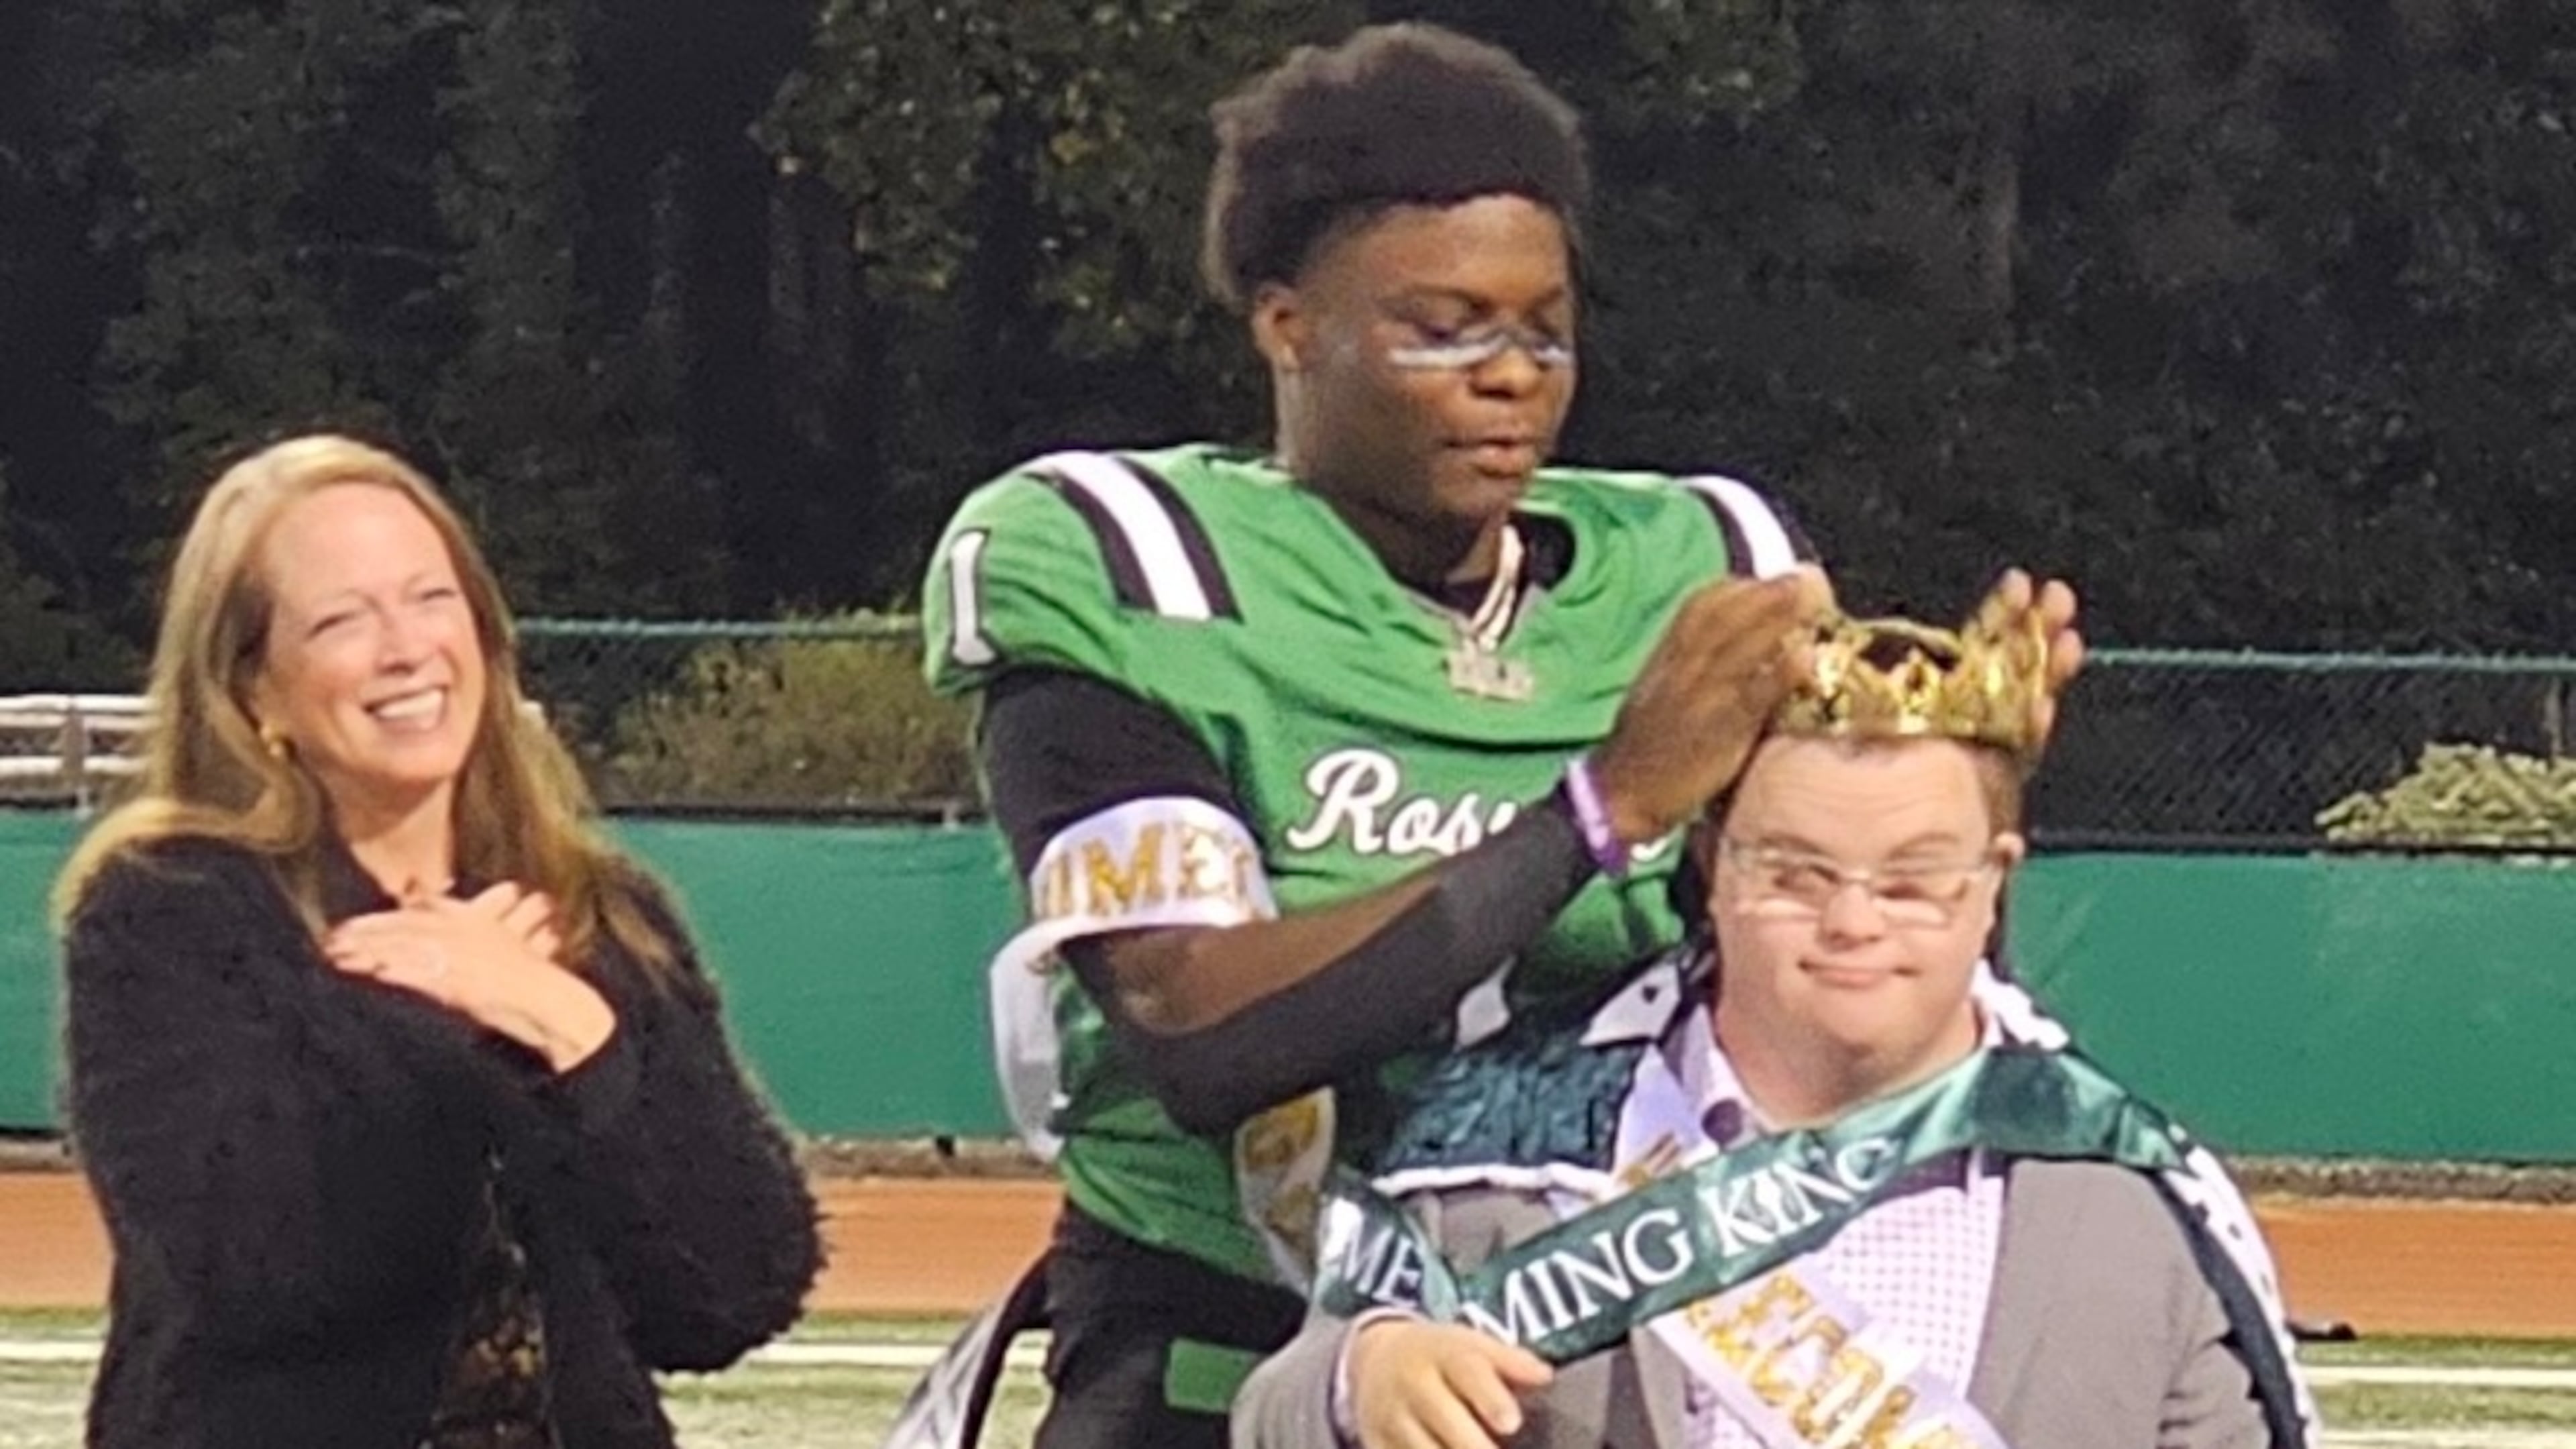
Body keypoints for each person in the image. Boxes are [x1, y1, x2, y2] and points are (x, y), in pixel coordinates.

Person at [910, 22, 2080, 1449]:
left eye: (1543, 327)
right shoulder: (1129, 563)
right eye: (1444, 325)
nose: (1510, 372)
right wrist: (1596, 812)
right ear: (1287, 326)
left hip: (1604, 1345)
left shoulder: (1696, 562)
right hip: (1223, 1350)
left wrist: (1944, 778)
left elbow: (1834, 982)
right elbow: (1198, 1026)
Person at [1232, 608, 2315, 1449]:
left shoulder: (2132, 1197)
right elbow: (1276, 1410)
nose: (1853, 921)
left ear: (1994, 884)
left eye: (1914, 882)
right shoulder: (1517, 1138)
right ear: (1715, 865)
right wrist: (1359, 1374)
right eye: (1796, 873)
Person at [54, 434, 824, 1449]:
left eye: (431, 598)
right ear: (257, 694)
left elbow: (736, 1292)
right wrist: (442, 1010)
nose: (406, 648)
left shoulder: (599, 912)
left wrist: (571, 1028)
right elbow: (248, 1269)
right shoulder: (166, 908)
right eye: (341, 620)